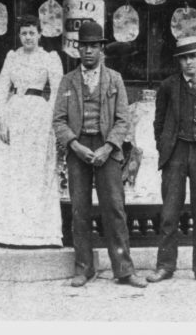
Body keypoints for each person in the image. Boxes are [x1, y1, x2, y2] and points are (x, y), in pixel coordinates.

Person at [52, 20, 146, 288]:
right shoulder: (67, 81)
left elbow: (123, 119)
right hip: (78, 148)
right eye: (84, 46)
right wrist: (75, 144)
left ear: (102, 50)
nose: (89, 51)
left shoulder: (114, 79)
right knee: (80, 209)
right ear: (78, 49)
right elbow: (58, 120)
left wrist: (108, 147)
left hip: (108, 150)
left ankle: (124, 270)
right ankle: (84, 268)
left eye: (94, 46)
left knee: (114, 209)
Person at [146, 35, 196, 285]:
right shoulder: (169, 86)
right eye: (184, 57)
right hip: (176, 153)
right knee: (170, 213)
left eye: (193, 56)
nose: (189, 62)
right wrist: (165, 147)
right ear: (179, 61)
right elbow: (158, 122)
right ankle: (165, 266)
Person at [0, 15, 63, 246]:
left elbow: (56, 91)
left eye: (32, 33)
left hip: (39, 115)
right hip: (14, 112)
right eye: (24, 33)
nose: (28, 37)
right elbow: (4, 87)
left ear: (40, 34)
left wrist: (50, 119)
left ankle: (37, 233)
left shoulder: (50, 58)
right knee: (10, 171)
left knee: (33, 171)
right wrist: (2, 119)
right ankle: (6, 230)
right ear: (19, 36)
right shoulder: (12, 57)